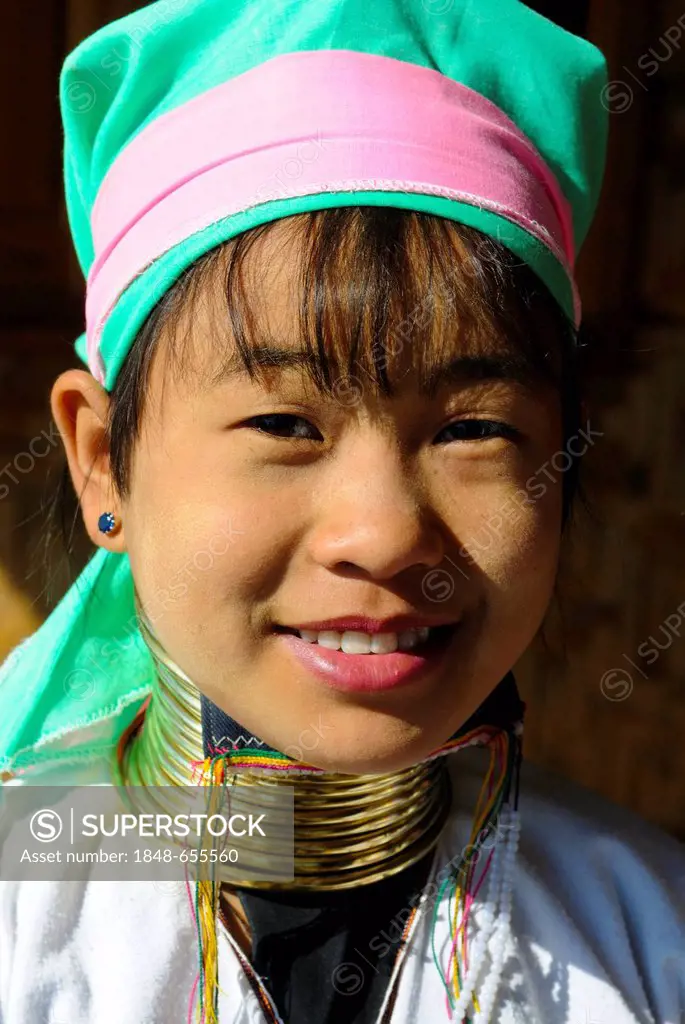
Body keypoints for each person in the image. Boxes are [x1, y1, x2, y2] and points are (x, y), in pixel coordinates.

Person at [1, 1, 684, 1022]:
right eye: (283, 422)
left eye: (474, 430)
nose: (384, 533)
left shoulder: (648, 933)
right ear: (104, 466)